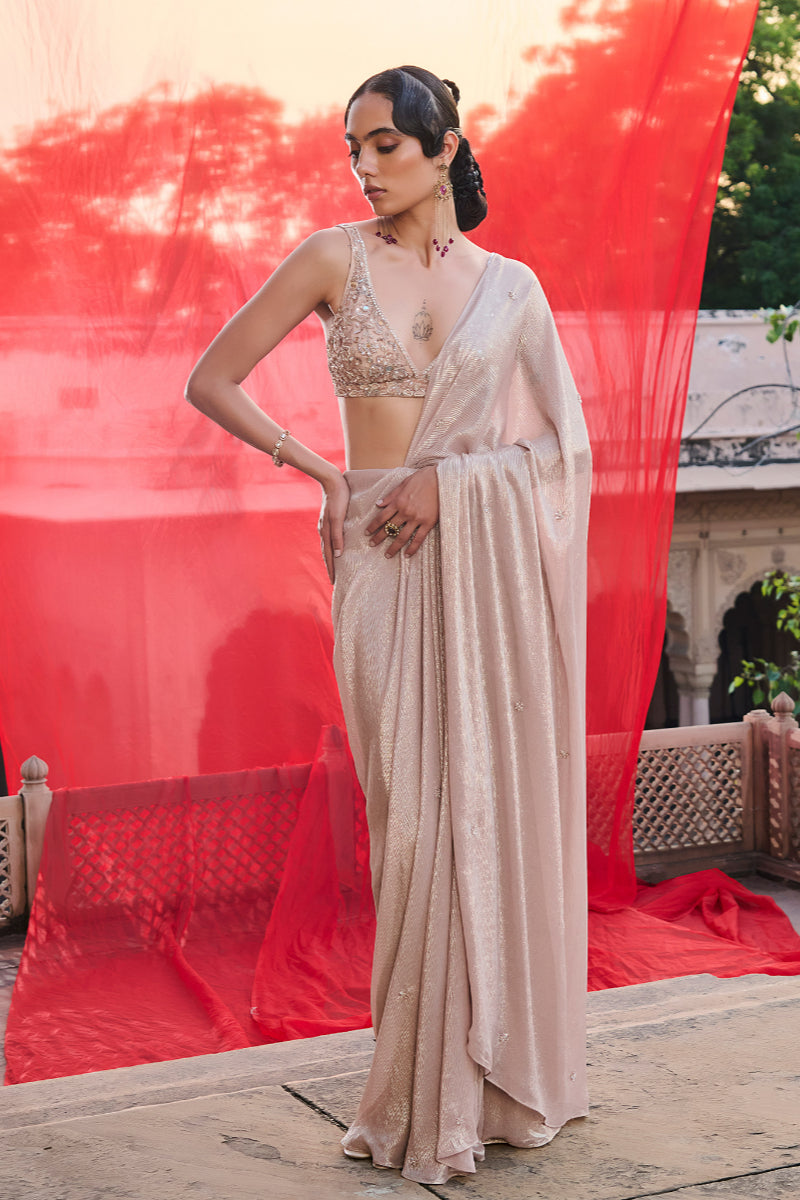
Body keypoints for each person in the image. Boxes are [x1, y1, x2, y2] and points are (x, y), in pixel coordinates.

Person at [186, 64, 592, 1187]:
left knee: (483, 817)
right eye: (353, 149)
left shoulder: (511, 289)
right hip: (378, 560)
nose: (364, 168)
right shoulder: (333, 259)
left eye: (385, 146)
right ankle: (418, 1096)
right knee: (413, 833)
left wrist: (452, 485)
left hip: (480, 576)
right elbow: (212, 378)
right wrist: (324, 471)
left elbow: (561, 453)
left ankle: (485, 1092)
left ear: (445, 145)